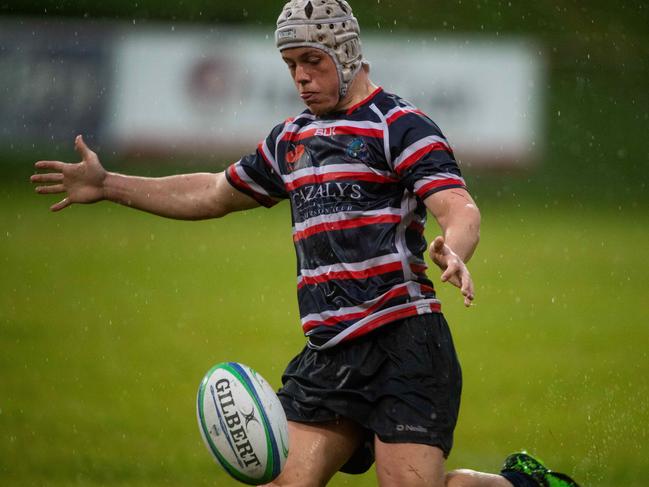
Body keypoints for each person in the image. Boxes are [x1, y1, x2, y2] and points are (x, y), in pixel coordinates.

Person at [31, 1, 580, 486]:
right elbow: (214, 193)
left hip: (406, 343)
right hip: (329, 352)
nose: (300, 77)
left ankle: (522, 484)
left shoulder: (400, 126)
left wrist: (454, 247)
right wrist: (109, 186)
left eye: (312, 61)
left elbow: (458, 208)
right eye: (291, 65)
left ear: (344, 54)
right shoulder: (290, 140)